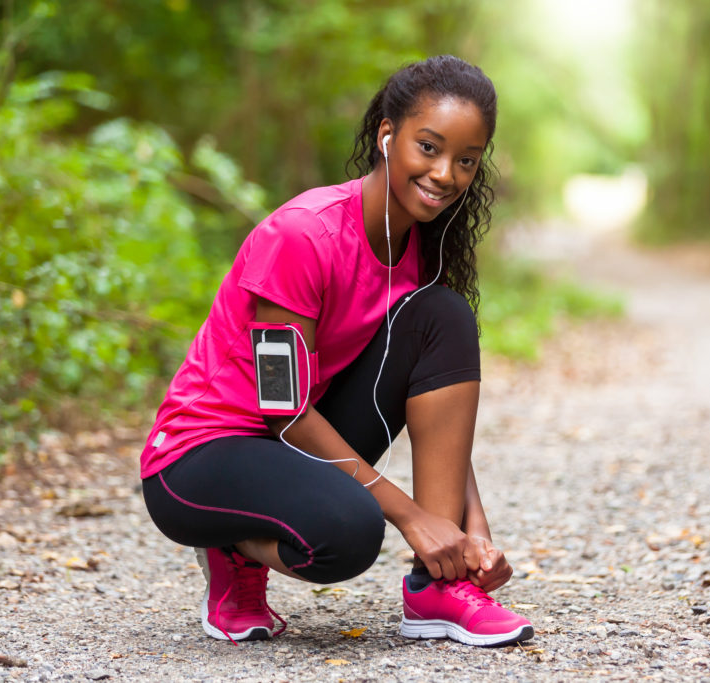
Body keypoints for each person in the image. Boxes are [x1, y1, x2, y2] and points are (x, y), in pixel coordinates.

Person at [139, 55, 534, 648]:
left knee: (444, 316)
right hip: (200, 455)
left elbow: (438, 411)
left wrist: (466, 531)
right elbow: (283, 407)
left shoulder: (418, 253)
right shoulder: (302, 235)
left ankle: (439, 589)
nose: (446, 173)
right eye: (428, 147)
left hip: (291, 438)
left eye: (466, 160)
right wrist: (408, 514)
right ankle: (230, 547)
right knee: (347, 532)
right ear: (386, 136)